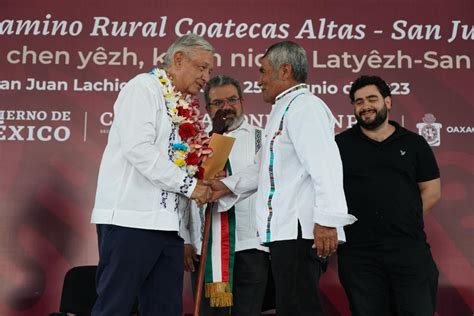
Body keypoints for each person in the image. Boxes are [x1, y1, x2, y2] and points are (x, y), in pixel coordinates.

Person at [208, 41, 357, 316]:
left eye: (263, 71)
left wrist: (326, 222)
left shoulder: (305, 108)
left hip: (300, 232)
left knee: (299, 308)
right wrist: (224, 186)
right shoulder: (283, 109)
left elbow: (326, 167)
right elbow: (262, 167)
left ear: (285, 70)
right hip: (285, 234)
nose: (259, 80)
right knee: (291, 307)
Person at [90, 34, 215, 316]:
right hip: (130, 220)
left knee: (165, 309)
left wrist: (187, 232)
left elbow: (181, 163)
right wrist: (189, 185)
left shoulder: (185, 106)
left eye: (209, 71)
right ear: (179, 59)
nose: (206, 77)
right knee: (115, 306)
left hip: (169, 228)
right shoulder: (142, 88)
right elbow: (139, 150)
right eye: (202, 67)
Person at [336, 75, 441, 316]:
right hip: (359, 254)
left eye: (372, 99)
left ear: (388, 102)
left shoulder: (415, 143)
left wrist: (403, 217)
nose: (365, 106)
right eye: (358, 101)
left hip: (409, 250)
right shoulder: (339, 145)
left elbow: (432, 191)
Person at [181, 75, 270, 316]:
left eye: (232, 100)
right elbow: (185, 193)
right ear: (208, 108)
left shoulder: (262, 138)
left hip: (251, 246)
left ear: (242, 101)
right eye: (218, 103)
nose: (226, 107)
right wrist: (185, 239)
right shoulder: (196, 142)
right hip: (205, 248)